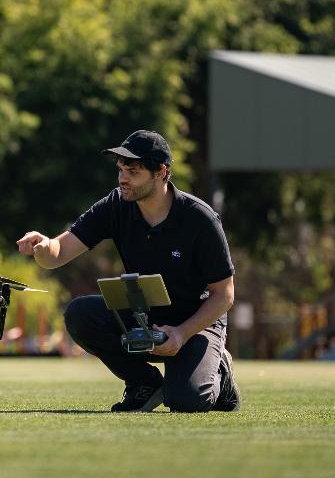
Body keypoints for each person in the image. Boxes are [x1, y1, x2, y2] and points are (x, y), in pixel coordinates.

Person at [16, 130, 240, 413]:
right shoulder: (116, 205)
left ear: (161, 172)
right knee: (80, 314)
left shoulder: (200, 218)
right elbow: (58, 253)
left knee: (186, 400)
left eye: (133, 172)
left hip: (197, 323)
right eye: (121, 169)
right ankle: (144, 383)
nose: (123, 178)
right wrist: (43, 246)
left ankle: (220, 371)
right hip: (145, 315)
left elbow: (224, 295)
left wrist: (181, 333)